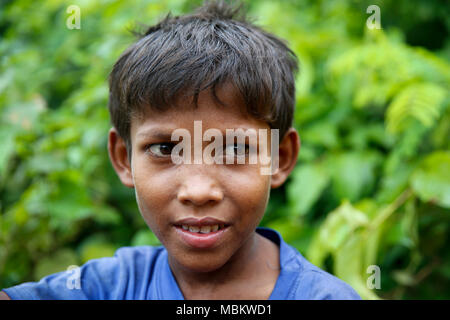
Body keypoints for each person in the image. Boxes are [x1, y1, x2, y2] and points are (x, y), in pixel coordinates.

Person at [1, 0, 361, 300]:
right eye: (164, 148)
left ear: (280, 158)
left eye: (234, 148)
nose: (199, 191)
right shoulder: (106, 288)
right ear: (124, 159)